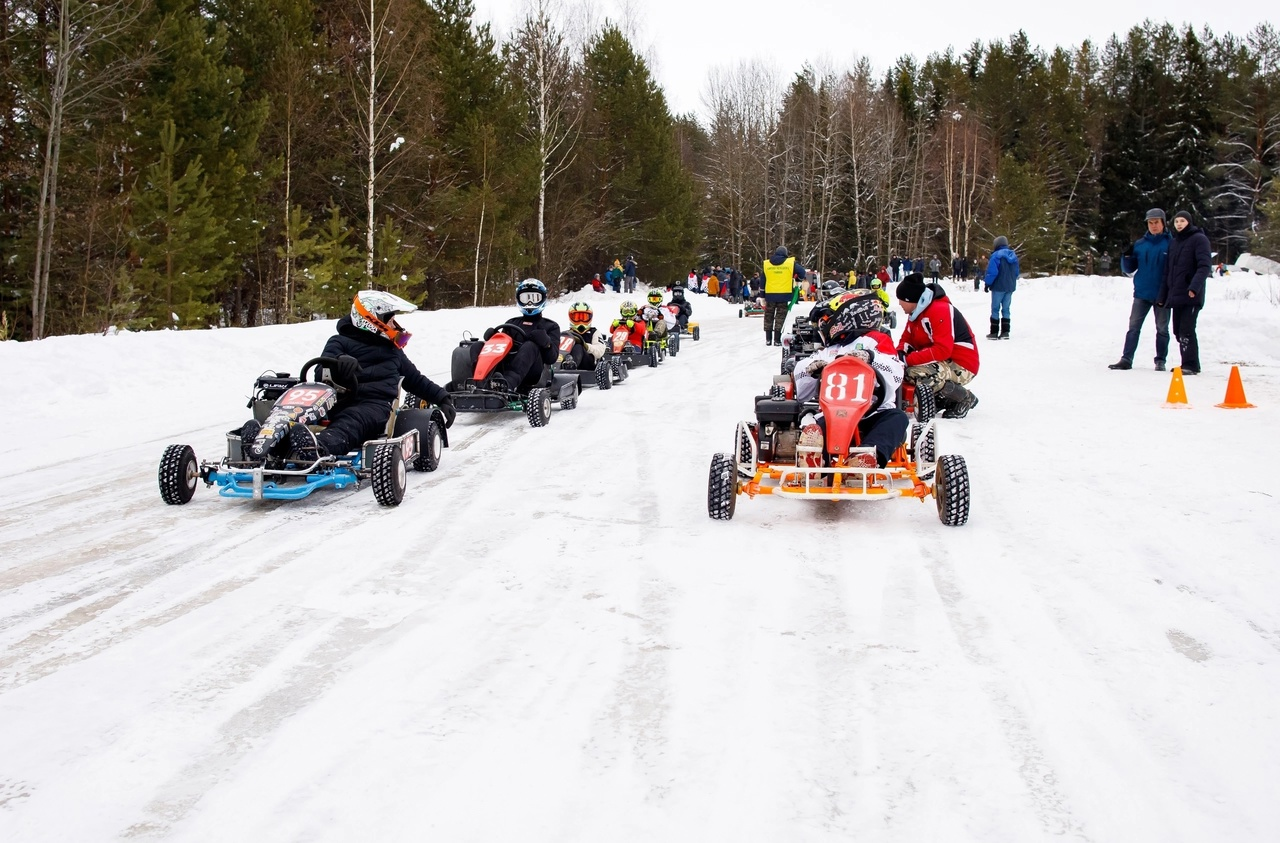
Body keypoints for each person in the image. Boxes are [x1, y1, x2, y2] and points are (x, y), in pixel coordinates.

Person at [239, 290, 454, 461]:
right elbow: (319, 371)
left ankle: (319, 448)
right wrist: (339, 363)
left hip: (373, 406)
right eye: (390, 320)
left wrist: (442, 398)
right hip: (336, 399)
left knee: (350, 423)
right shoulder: (338, 342)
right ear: (372, 320)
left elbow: (415, 380)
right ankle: (267, 443)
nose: (394, 325)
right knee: (297, 414)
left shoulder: (393, 352)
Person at [792, 291, 910, 470]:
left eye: (826, 319)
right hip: (834, 415)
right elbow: (801, 393)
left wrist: (871, 358)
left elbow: (895, 373)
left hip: (873, 414)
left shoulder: (875, 341)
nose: (822, 325)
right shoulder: (829, 350)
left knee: (898, 419)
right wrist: (811, 369)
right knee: (816, 427)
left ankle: (864, 457)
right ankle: (814, 460)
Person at [895, 273, 981, 418]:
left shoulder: (939, 310)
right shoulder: (916, 314)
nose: (899, 304)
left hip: (961, 363)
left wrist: (909, 360)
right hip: (943, 361)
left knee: (915, 374)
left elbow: (943, 350)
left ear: (911, 300)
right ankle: (942, 399)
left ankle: (964, 397)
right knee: (901, 371)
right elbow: (906, 340)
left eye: (901, 300)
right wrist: (899, 355)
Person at [1110, 208, 1172, 371]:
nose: (1153, 226)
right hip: (1142, 293)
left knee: (1162, 328)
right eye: (1150, 223)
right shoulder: (1140, 244)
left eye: (1156, 222)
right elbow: (1128, 269)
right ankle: (1126, 358)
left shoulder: (1171, 243)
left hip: (1162, 294)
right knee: (1133, 327)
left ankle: (1160, 360)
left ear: (1163, 223)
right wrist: (1126, 254)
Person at [473, 278, 561, 392]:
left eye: (534, 298)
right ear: (519, 299)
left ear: (542, 299)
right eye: (526, 298)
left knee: (530, 346)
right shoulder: (511, 323)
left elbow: (552, 358)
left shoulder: (551, 326)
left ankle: (507, 385)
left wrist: (546, 343)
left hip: (534, 373)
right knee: (477, 346)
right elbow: (501, 345)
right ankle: (479, 383)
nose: (530, 303)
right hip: (508, 366)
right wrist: (494, 337)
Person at [1158, 210, 1211, 375]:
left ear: (1189, 222)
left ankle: (1191, 365)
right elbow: (1168, 272)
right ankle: (1188, 362)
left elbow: (1204, 266)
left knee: (1186, 329)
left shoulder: (1199, 239)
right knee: (1177, 330)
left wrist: (1194, 287)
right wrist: (1163, 295)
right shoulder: (1174, 243)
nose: (1179, 224)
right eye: (1176, 221)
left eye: (1182, 221)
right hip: (1177, 295)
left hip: (1191, 294)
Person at [762, 246, 806, 346]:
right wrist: (798, 279)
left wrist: (762, 295)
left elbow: (763, 280)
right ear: (785, 253)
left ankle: (768, 339)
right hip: (784, 295)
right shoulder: (789, 263)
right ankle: (777, 340)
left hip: (770, 295)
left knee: (768, 316)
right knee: (780, 317)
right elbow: (802, 272)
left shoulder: (767, 264)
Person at [984, 236, 1020, 339]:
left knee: (995, 309)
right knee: (1006, 309)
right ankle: (1005, 332)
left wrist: (988, 283)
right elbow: (1016, 272)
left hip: (998, 286)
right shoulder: (1013, 256)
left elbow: (992, 272)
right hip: (1010, 287)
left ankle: (994, 332)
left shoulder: (996, 256)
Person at [558, 302, 608, 370]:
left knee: (578, 347)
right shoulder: (566, 334)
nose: (580, 320)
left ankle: (570, 368)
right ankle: (553, 368)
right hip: (566, 360)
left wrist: (585, 346)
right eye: (577, 317)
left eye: (584, 317)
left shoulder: (594, 332)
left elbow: (600, 351)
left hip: (588, 365)